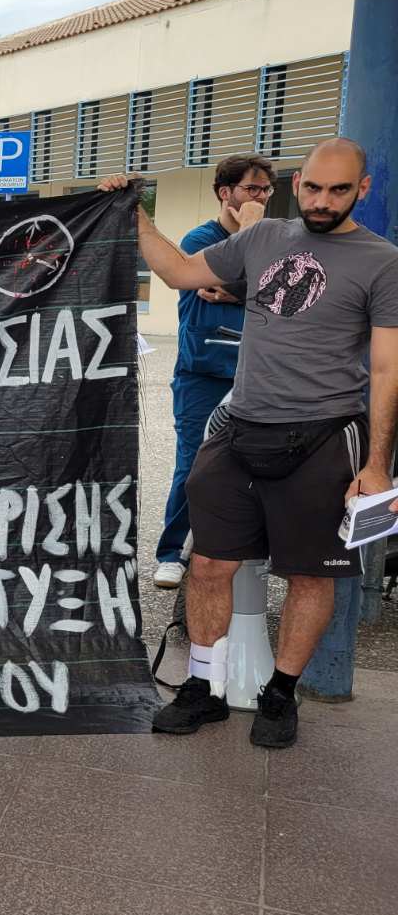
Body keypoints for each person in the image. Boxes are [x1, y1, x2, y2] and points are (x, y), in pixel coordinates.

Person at [101, 137, 398, 748]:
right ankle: (203, 687)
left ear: (361, 189)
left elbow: (388, 368)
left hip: (323, 434)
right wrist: (135, 214)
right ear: (298, 183)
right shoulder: (263, 238)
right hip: (240, 427)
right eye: (312, 187)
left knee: (309, 575)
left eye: (338, 189)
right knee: (209, 563)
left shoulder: (381, 261)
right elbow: (180, 272)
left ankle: (280, 694)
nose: (321, 200)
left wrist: (377, 465)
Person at [152, 155, 276, 590]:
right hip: (203, 372)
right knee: (194, 465)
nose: (260, 198)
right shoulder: (202, 238)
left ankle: (230, 549)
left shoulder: (271, 240)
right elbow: (211, 281)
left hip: (257, 374)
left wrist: (237, 291)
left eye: (266, 190)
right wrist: (246, 283)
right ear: (226, 192)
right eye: (251, 189)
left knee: (255, 468)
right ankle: (171, 553)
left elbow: (277, 290)